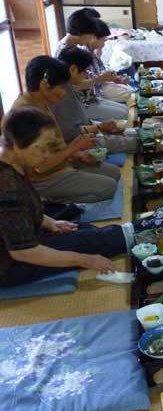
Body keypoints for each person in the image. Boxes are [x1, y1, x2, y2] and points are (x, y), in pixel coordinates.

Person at [0, 106, 135, 287]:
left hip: (26, 238)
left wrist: (51, 223)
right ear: (17, 145)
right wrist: (84, 260)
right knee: (87, 241)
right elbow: (23, 251)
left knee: (82, 229)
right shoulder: (6, 189)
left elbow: (23, 212)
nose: (47, 155)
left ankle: (137, 232)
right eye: (42, 149)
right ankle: (145, 232)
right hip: (10, 265)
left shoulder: (12, 164)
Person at [12, 56, 120, 203]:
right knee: (109, 187)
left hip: (61, 163)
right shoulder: (25, 114)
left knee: (114, 173)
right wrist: (74, 147)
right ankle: (47, 201)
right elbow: (39, 168)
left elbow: (55, 144)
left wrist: (79, 155)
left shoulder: (41, 102)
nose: (64, 93)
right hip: (42, 179)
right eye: (62, 87)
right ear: (44, 86)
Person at [54, 46, 137, 153]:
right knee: (136, 140)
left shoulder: (68, 86)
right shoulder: (62, 95)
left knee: (133, 133)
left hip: (90, 130)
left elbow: (84, 123)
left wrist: (102, 126)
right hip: (81, 142)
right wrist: (99, 127)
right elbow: (72, 134)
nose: (86, 75)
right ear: (73, 69)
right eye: (84, 71)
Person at [54, 9, 128, 121]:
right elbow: (71, 87)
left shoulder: (72, 47)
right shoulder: (64, 53)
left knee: (126, 110)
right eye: (91, 34)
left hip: (90, 98)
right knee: (124, 114)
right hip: (79, 104)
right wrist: (100, 79)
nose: (92, 38)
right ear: (80, 32)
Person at [86, 19, 132, 104]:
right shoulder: (84, 52)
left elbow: (99, 71)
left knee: (128, 88)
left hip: (98, 84)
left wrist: (114, 78)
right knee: (127, 92)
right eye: (103, 39)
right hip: (93, 92)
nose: (105, 42)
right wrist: (106, 79)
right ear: (94, 37)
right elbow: (92, 80)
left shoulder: (91, 50)